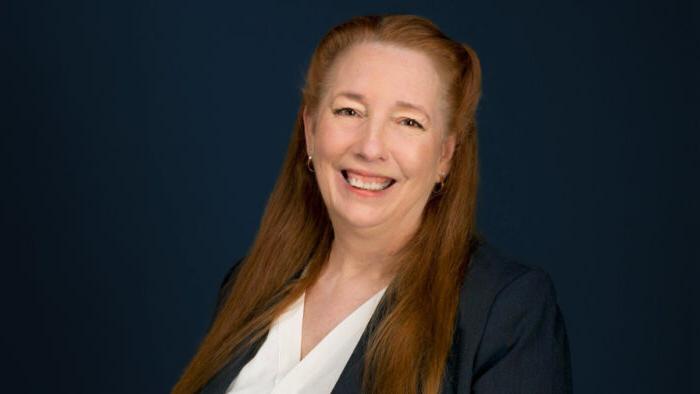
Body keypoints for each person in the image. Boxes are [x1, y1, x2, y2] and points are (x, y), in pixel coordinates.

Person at [173, 14, 572, 394]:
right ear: (310, 131)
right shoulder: (249, 284)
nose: (370, 147)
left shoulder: (503, 310)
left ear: (445, 156)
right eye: (350, 111)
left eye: (408, 121)